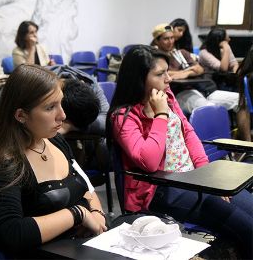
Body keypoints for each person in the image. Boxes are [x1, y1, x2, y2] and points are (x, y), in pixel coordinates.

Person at [106, 45, 253, 258]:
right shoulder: (123, 117)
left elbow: (189, 134)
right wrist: (161, 116)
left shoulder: (168, 96)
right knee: (247, 229)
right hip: (162, 188)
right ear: (139, 79)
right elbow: (148, 161)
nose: (168, 78)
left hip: (194, 179)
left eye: (167, 71)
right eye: (159, 74)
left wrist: (210, 180)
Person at [0, 64, 107, 259]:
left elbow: (87, 188)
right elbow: (9, 233)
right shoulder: (7, 163)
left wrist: (97, 213)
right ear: (21, 115)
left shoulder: (55, 140)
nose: (62, 115)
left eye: (61, 103)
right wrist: (77, 214)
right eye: (50, 107)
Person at [152, 23, 250, 141]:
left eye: (172, 37)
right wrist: (188, 71)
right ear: (157, 41)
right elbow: (168, 75)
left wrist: (184, 72)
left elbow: (199, 69)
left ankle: (247, 145)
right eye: (165, 39)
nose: (170, 41)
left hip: (202, 90)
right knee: (209, 109)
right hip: (179, 94)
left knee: (240, 100)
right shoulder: (156, 59)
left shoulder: (182, 53)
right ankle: (216, 148)